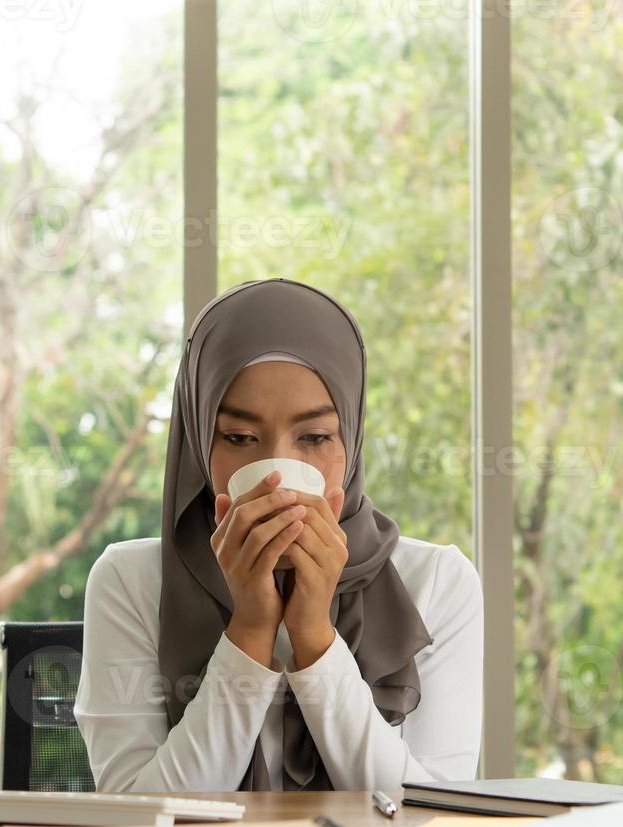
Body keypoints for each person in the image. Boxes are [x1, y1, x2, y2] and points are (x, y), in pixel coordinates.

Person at [75, 278, 483, 792]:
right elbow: (137, 820)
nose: (276, 472)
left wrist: (315, 636)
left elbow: (431, 814)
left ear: (351, 440)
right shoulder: (130, 581)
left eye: (314, 437)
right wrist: (249, 631)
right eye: (240, 438)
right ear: (200, 440)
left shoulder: (437, 583)